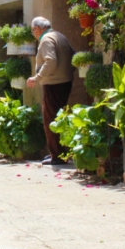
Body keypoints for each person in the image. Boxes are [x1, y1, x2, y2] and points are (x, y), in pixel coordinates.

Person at [26, 16, 74, 166]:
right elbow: (73, 56)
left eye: (33, 30)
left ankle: (57, 155)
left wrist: (37, 78)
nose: (33, 33)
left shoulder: (46, 39)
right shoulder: (60, 36)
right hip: (64, 82)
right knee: (59, 118)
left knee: (50, 119)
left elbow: (51, 61)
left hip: (53, 84)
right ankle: (60, 153)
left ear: (38, 29)